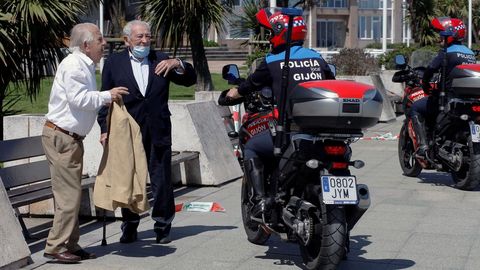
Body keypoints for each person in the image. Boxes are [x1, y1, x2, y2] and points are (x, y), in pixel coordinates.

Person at [226, 9, 335, 217]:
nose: (268, 38)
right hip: (321, 133)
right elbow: (332, 81)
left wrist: (232, 94)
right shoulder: (317, 58)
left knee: (252, 147)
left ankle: (259, 202)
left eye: (270, 33)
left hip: (290, 133)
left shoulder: (273, 61)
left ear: (278, 32)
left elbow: (248, 85)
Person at [97, 20, 196, 244]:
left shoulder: (161, 60)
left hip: (158, 128)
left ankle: (162, 225)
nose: (144, 41)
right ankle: (130, 225)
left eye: (148, 36)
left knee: (161, 177)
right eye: (139, 37)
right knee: (129, 178)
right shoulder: (114, 63)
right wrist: (104, 129)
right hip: (127, 131)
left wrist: (177, 62)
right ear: (126, 40)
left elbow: (190, 80)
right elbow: (105, 99)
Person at [42, 23, 128, 263]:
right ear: (86, 45)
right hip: (63, 138)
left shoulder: (83, 65)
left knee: (72, 195)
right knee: (68, 197)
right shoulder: (74, 65)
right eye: (100, 39)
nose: (105, 44)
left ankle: (71, 243)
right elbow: (78, 99)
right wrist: (107, 96)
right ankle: (55, 246)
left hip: (69, 138)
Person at [409, 17, 476, 159]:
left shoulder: (446, 52)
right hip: (467, 100)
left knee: (416, 107)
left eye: (442, 34)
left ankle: (423, 147)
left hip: (446, 99)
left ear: (450, 35)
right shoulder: (470, 54)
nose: (440, 37)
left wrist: (425, 83)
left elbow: (430, 70)